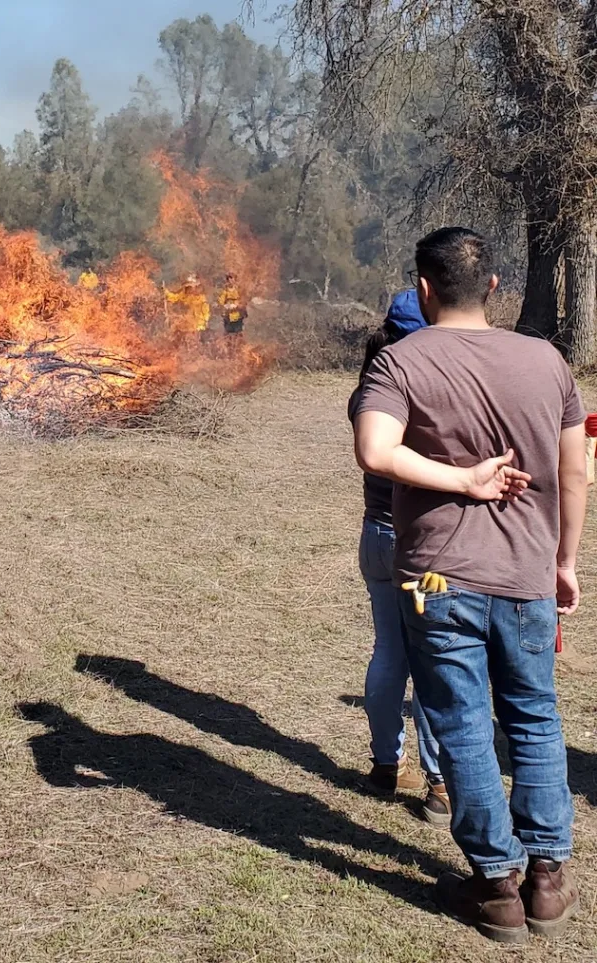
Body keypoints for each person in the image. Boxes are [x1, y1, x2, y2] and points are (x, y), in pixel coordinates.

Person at [353, 227, 588, 944]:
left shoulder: (399, 359)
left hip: (436, 577)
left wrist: (457, 479)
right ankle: (546, 880)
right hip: (526, 575)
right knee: (536, 717)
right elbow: (574, 471)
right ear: (492, 287)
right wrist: (565, 561)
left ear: (423, 287)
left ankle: (496, 886)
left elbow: (375, 449)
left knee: (459, 723)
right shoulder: (547, 361)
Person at [348, 290, 446, 822]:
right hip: (422, 546)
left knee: (389, 652)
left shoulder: (367, 389)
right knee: (433, 659)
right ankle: (439, 785)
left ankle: (386, 764)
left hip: (375, 536)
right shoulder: (427, 391)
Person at [165, 274, 211, 342]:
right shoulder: (187, 296)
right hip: (189, 323)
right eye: (188, 287)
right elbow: (175, 297)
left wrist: (204, 322)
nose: (188, 289)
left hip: (199, 325)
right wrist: (166, 292)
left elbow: (206, 312)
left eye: (190, 287)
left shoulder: (202, 299)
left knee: (196, 341)